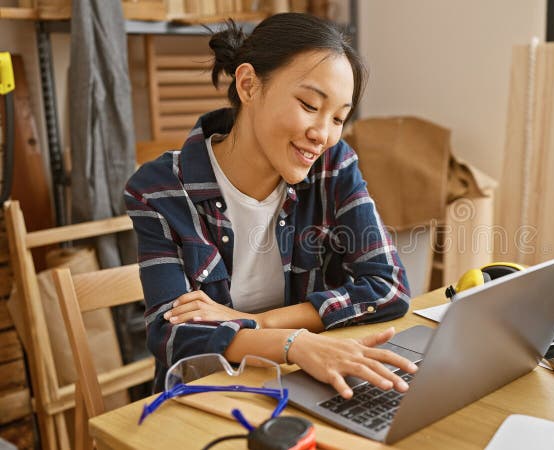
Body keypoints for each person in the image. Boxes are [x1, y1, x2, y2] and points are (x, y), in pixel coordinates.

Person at [124, 13, 416, 399]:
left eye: (339, 118)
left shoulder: (333, 165)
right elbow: (173, 334)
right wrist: (294, 343)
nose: (322, 134)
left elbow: (388, 286)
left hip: (299, 382)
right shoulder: (159, 189)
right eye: (310, 105)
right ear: (248, 85)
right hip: (206, 396)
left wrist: (259, 323)